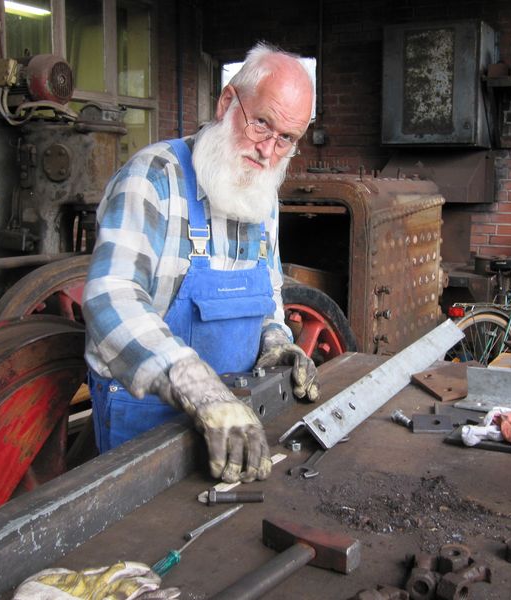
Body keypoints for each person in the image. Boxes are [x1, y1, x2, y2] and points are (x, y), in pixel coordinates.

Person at [82, 42, 320, 485]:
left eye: (286, 138)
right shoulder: (153, 178)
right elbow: (109, 297)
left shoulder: (263, 198)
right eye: (262, 124)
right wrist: (199, 387)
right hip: (144, 432)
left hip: (234, 435)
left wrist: (275, 344)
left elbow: (268, 301)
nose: (269, 151)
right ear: (228, 102)